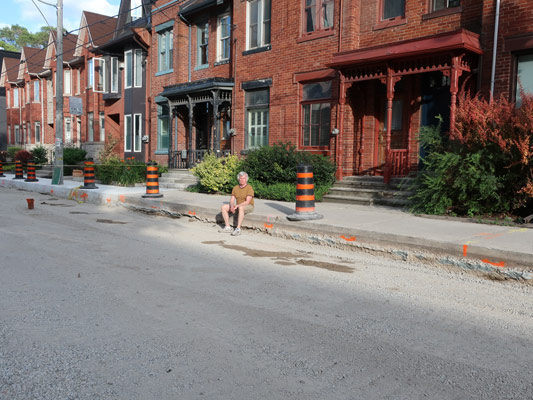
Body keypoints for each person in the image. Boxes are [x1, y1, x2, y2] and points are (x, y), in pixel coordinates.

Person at [219, 171, 254, 236]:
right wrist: (232, 206)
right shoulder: (235, 188)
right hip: (238, 205)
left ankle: (238, 229)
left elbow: (247, 201)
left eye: (243, 178)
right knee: (224, 207)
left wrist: (237, 206)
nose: (242, 180)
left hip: (248, 206)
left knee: (241, 208)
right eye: (240, 178)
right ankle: (228, 227)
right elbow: (232, 199)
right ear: (238, 179)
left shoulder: (249, 188)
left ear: (246, 179)